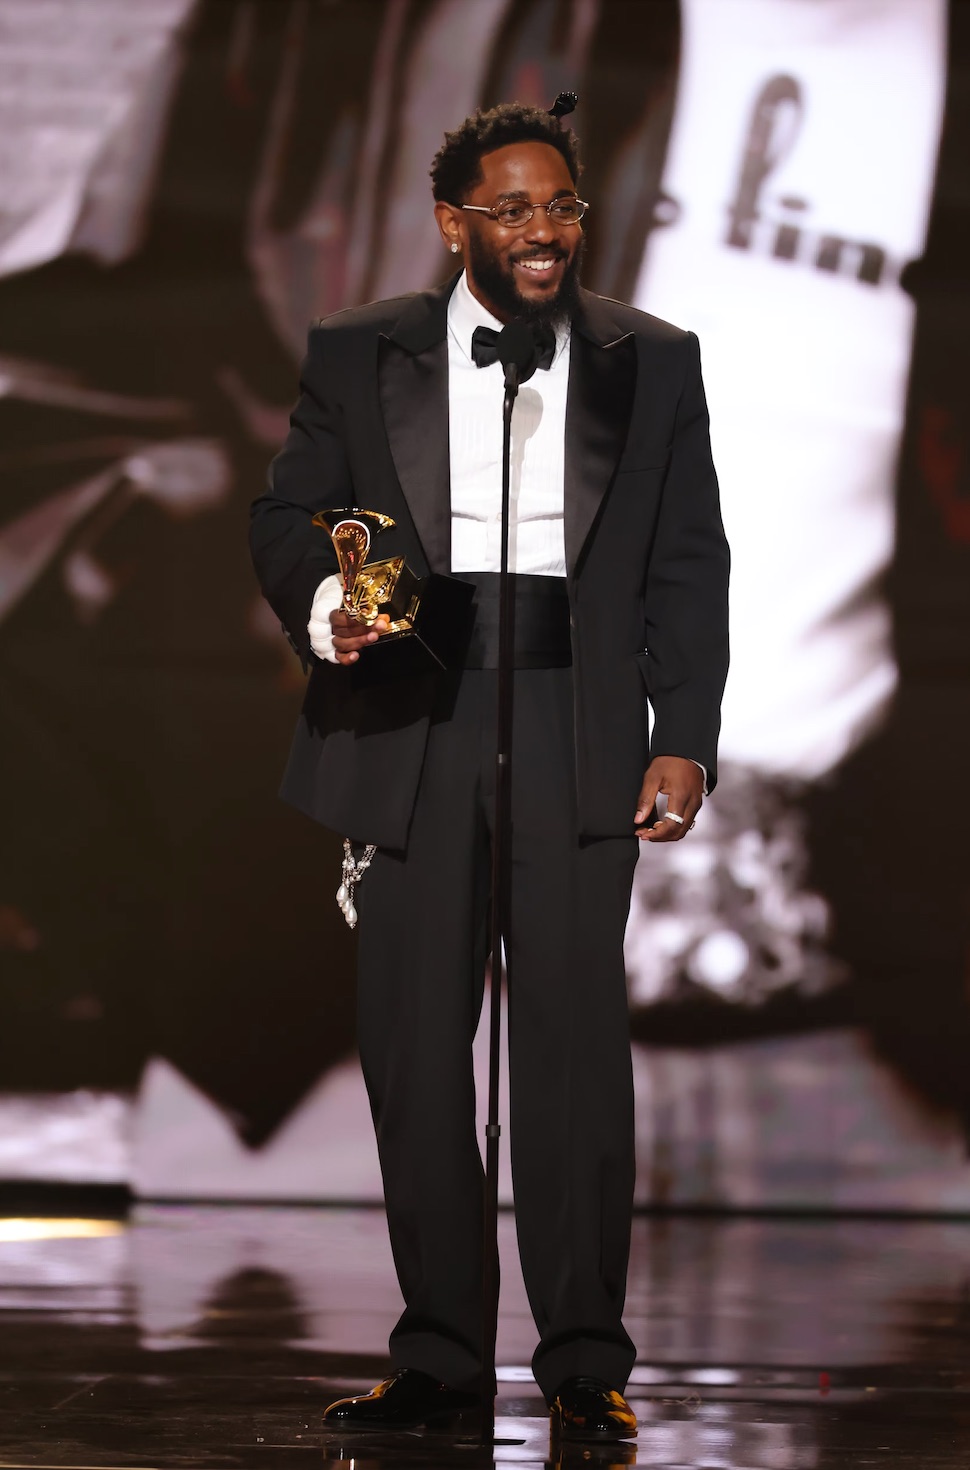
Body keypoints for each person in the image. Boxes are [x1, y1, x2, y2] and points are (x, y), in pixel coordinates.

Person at [250, 101, 729, 1444]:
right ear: (452, 220)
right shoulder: (360, 352)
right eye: (511, 209)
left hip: (579, 722)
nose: (543, 232)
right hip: (411, 714)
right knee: (414, 1052)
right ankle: (440, 1353)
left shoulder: (654, 359)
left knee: (575, 1056)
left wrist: (681, 732)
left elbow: (688, 557)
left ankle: (583, 1353)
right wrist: (326, 612)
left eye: (561, 206)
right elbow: (286, 513)